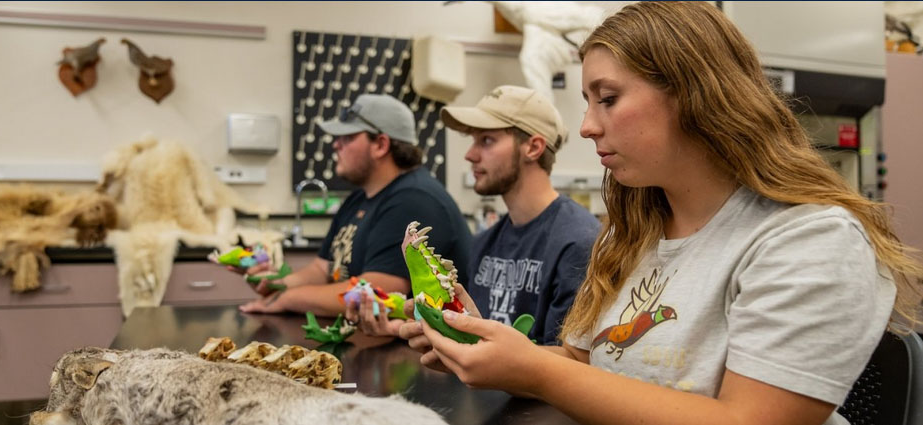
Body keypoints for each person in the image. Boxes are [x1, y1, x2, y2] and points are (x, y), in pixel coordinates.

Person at [399, 3, 923, 425]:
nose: (585, 127)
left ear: (696, 95)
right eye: (586, 102)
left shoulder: (811, 240)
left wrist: (533, 370)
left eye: (607, 98)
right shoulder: (631, 234)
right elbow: (591, 367)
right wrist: (490, 347)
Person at [348, 85, 601, 344]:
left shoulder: (578, 243)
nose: (470, 155)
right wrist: (407, 329)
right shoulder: (484, 242)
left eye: (487, 140)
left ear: (533, 148)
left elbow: (567, 367)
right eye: (473, 141)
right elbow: (477, 341)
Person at [238, 93, 472, 317]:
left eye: (347, 137)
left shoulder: (414, 200)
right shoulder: (359, 199)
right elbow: (323, 269)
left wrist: (287, 298)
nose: (336, 145)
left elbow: (377, 292)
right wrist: (275, 284)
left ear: (380, 144)